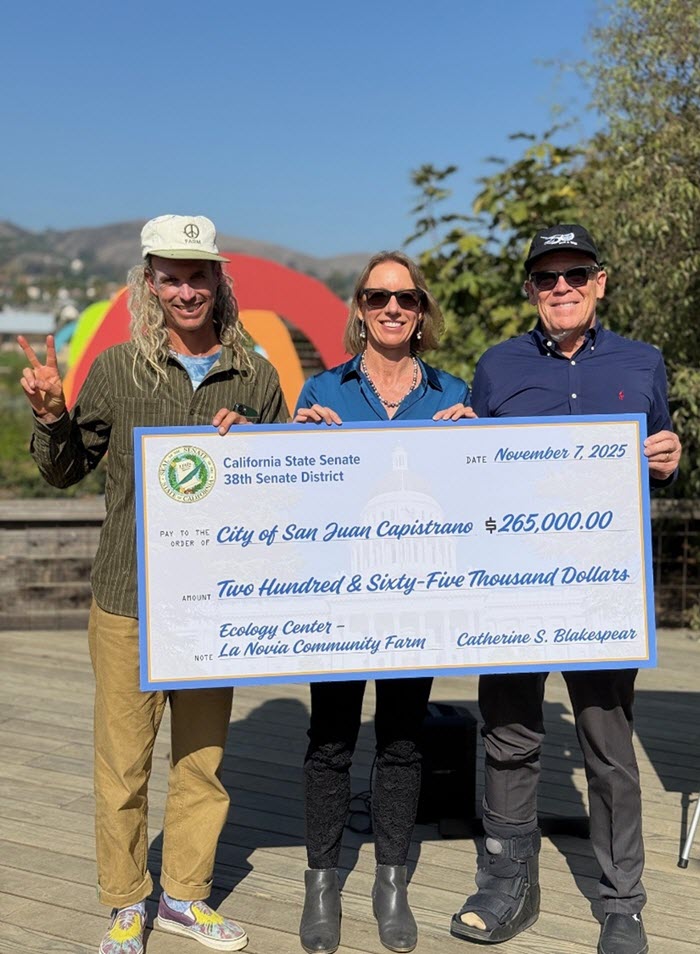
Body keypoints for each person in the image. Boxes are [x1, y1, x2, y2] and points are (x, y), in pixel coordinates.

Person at [18, 214, 288, 954]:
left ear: (217, 281)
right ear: (150, 283)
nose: (186, 288)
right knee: (122, 765)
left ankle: (184, 897)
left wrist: (261, 448)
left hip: (212, 608)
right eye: (171, 276)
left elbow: (285, 493)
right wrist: (48, 416)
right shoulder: (114, 369)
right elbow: (65, 468)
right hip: (130, 600)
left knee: (203, 763)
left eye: (199, 274)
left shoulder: (257, 376)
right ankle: (126, 902)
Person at [451, 224, 681, 954]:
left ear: (600, 282)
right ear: (530, 291)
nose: (561, 287)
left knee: (608, 747)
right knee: (510, 737)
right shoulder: (495, 367)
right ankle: (505, 880)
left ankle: (623, 903)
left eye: (575, 274)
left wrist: (671, 455)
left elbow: (662, 448)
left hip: (602, 593)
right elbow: (470, 475)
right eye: (546, 277)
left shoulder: (644, 364)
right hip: (514, 589)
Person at [293, 250, 474, 954]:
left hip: (415, 598)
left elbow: (475, 502)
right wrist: (298, 449)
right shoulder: (322, 388)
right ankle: (321, 882)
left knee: (402, 739)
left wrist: (474, 444)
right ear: (359, 310)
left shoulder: (450, 390)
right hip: (341, 597)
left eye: (405, 298)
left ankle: (391, 880)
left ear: (422, 310)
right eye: (377, 297)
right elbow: (295, 498)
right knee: (329, 740)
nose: (392, 308)